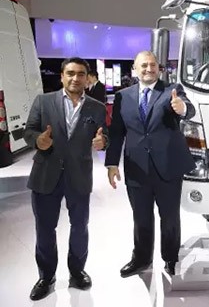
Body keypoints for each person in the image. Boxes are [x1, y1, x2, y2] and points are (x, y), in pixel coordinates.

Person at [104, 51, 196, 278]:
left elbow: (188, 108)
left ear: (159, 68)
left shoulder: (172, 90)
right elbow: (117, 132)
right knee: (141, 217)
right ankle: (141, 259)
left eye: (153, 65)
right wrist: (112, 163)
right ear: (134, 70)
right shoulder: (123, 96)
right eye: (143, 65)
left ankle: (171, 258)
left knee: (170, 218)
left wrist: (182, 109)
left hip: (168, 167)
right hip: (137, 167)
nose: (149, 69)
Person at [23, 57, 107, 301]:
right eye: (70, 73)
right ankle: (46, 277)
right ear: (62, 76)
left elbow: (105, 135)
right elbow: (29, 131)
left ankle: (77, 272)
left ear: (87, 78)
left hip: (79, 175)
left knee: (80, 227)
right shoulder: (44, 101)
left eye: (80, 74)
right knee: (45, 228)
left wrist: (103, 142)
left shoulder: (97, 107)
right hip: (46, 174)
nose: (75, 78)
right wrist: (38, 140)